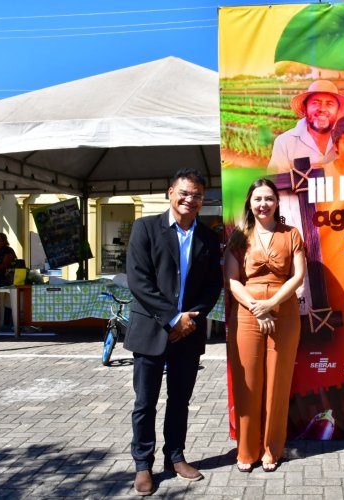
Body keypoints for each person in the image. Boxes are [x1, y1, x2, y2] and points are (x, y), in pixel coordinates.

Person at [124, 168, 222, 495]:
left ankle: (175, 456)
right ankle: (143, 464)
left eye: (196, 195)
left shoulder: (209, 237)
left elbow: (213, 286)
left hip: (188, 334)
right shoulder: (145, 228)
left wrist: (191, 320)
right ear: (170, 193)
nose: (189, 200)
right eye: (184, 193)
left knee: (180, 399)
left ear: (202, 200)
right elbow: (139, 281)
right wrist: (171, 319)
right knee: (145, 402)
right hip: (151, 330)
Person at [225, 178, 305, 473]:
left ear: (276, 202)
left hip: (284, 315)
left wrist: (271, 305)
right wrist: (257, 309)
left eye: (269, 198)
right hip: (247, 316)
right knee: (247, 386)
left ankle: (272, 450)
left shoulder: (292, 234)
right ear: (249, 203)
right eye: (258, 199)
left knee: (277, 385)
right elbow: (233, 280)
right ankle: (246, 451)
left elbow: (297, 277)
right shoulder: (239, 236)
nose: (263, 204)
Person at [268, 80, 344, 174]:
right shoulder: (284, 142)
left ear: (337, 110)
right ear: (305, 108)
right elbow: (275, 183)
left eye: (330, 104)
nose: (322, 109)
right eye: (315, 103)